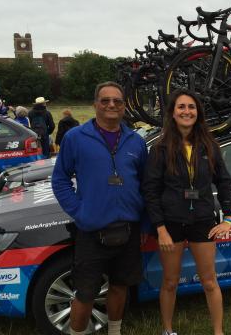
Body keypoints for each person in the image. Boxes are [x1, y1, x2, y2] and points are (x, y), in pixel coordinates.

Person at [52, 81, 148, 335]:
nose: (111, 105)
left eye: (117, 100)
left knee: (120, 286)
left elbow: (146, 184)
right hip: (92, 231)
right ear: (95, 104)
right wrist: (79, 210)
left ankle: (114, 331)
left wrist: (145, 223)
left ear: (124, 106)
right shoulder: (76, 137)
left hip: (128, 229)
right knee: (85, 294)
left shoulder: (135, 141)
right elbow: (60, 179)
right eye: (105, 100)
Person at [142, 89, 231, 335]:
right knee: (170, 282)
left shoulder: (209, 146)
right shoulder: (160, 149)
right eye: (181, 107)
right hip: (170, 223)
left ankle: (218, 331)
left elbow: (224, 181)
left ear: (198, 113)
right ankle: (168, 330)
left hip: (202, 220)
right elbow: (150, 191)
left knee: (209, 281)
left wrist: (228, 218)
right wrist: (160, 229)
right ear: (172, 113)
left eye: (191, 107)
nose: (186, 111)